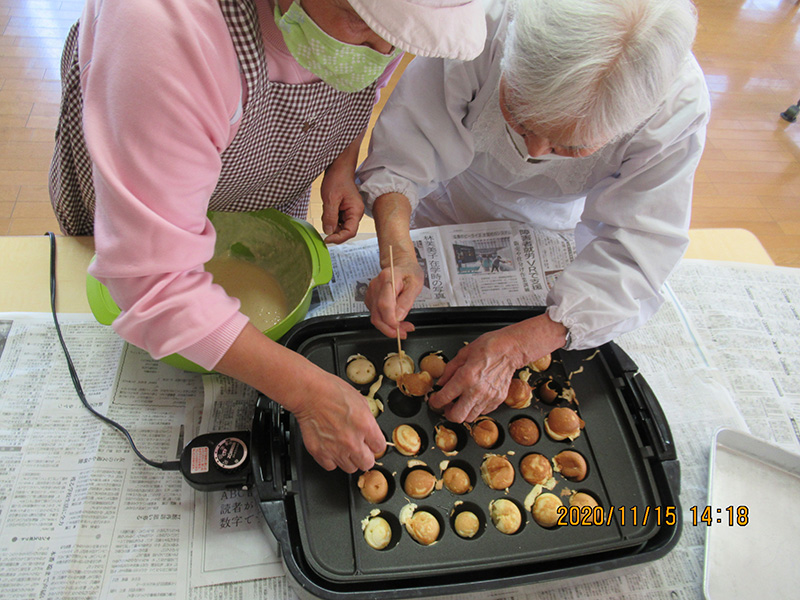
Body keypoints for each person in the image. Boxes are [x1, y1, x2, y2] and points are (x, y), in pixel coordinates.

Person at [47, 0, 487, 473]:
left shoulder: (374, 37)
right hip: (146, 176)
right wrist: (307, 393)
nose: (384, 49)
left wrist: (341, 164)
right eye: (362, 22)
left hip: (266, 180)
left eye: (399, 38)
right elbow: (153, 280)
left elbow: (363, 86)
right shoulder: (160, 26)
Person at [358, 0, 710, 424]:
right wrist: (397, 250)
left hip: (551, 221)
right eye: (519, 120)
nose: (534, 152)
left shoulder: (676, 110)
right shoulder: (482, 20)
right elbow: (407, 147)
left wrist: (519, 346)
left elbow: (636, 251)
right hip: (452, 186)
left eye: (571, 148)